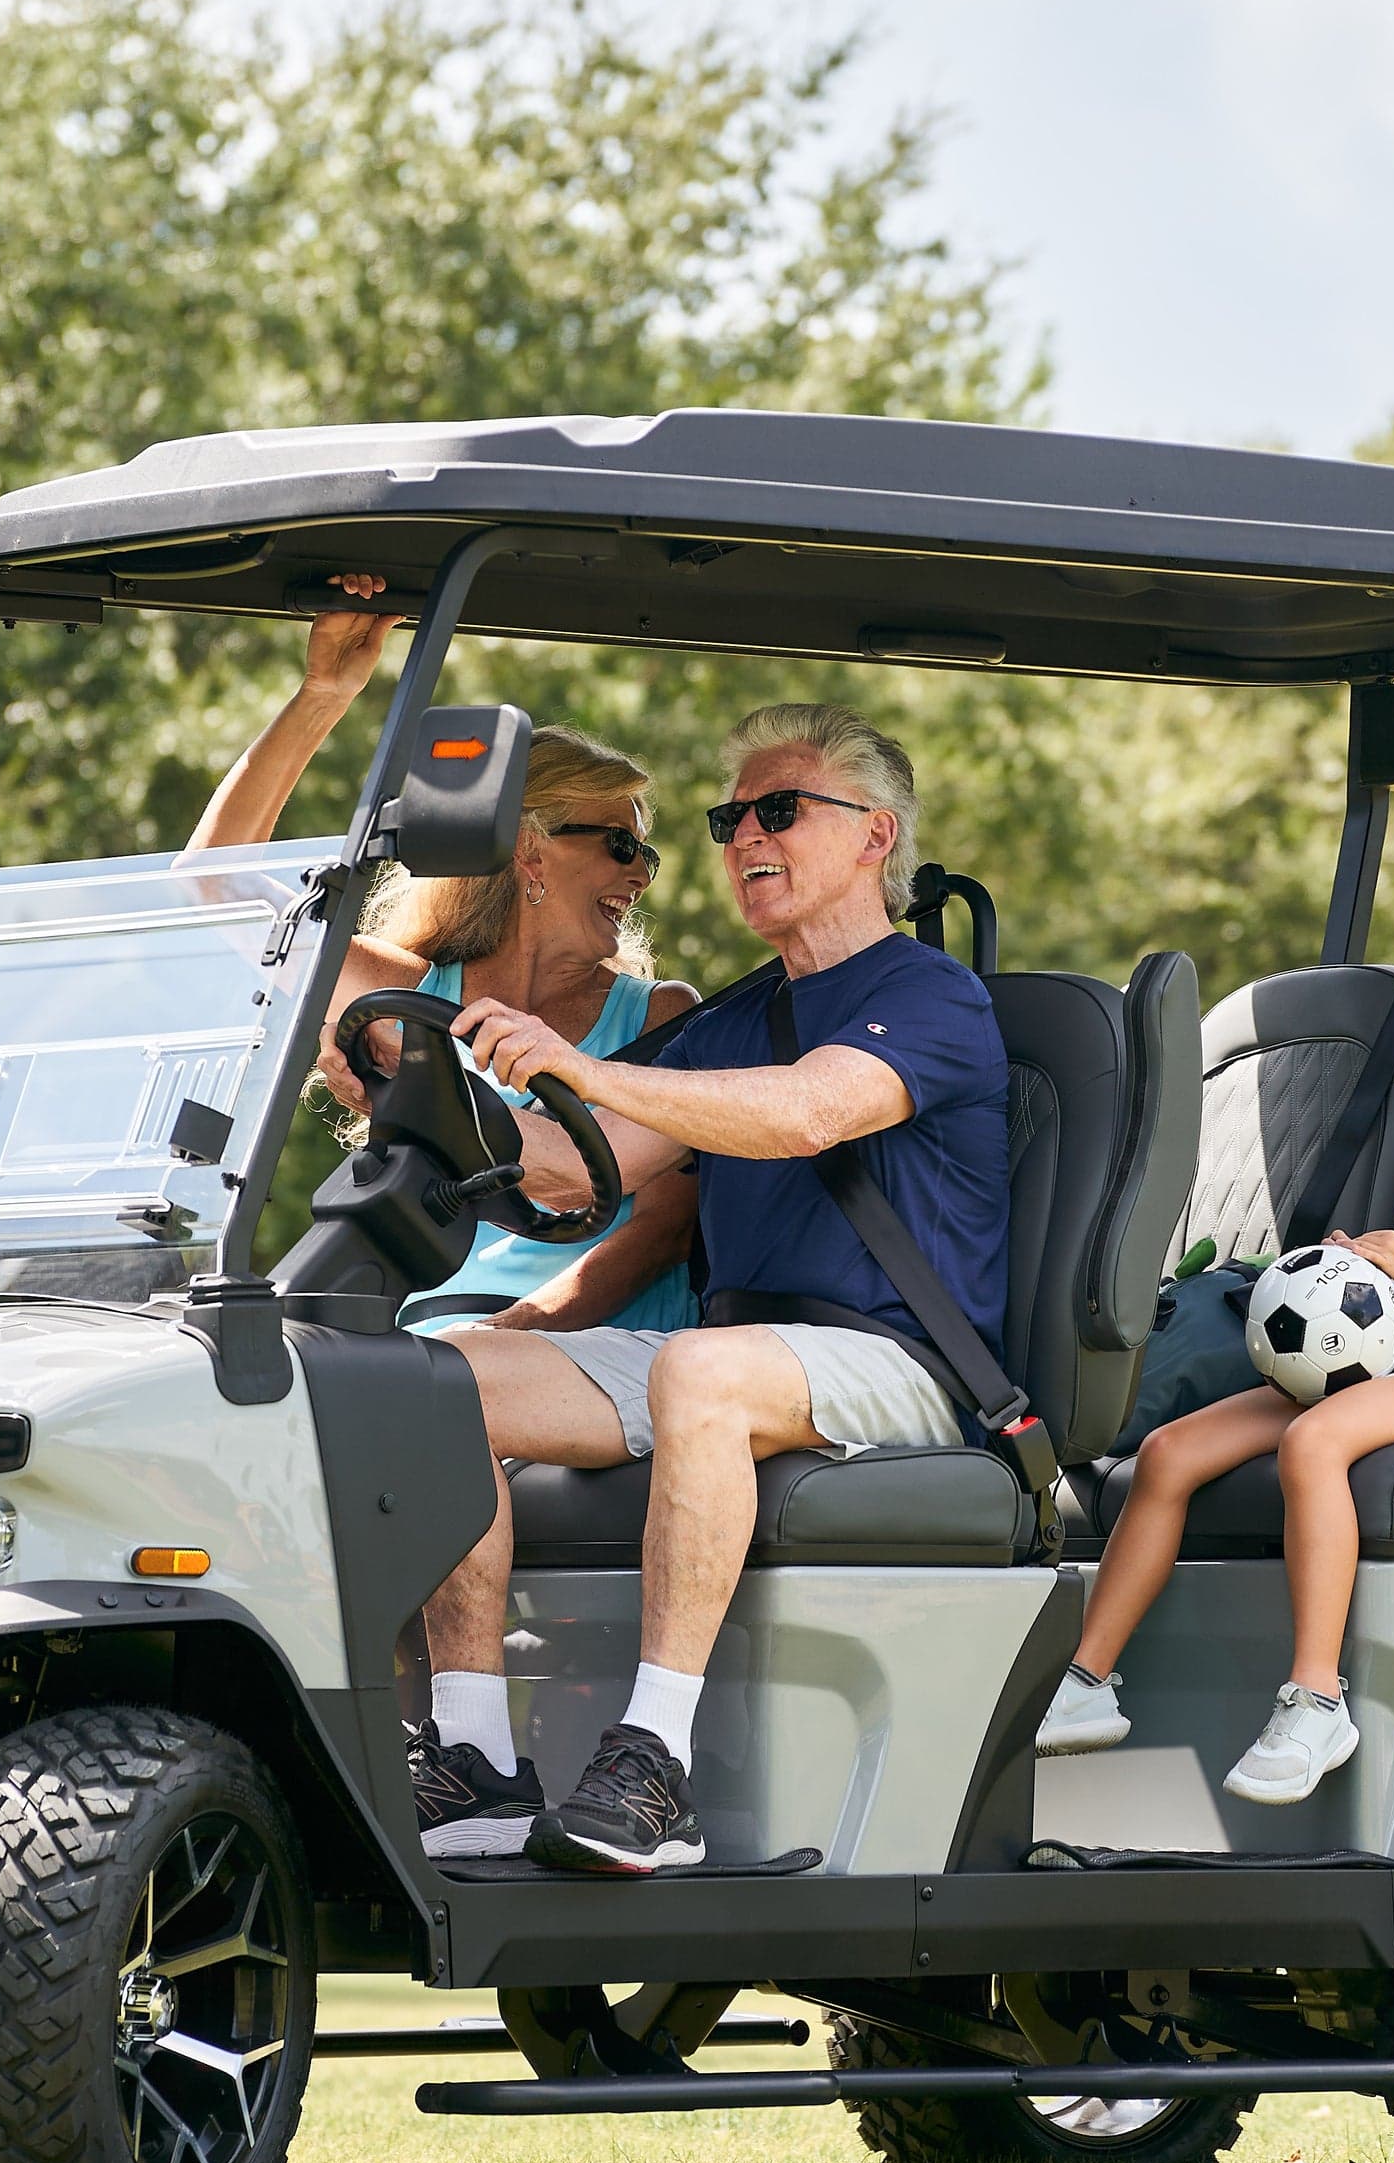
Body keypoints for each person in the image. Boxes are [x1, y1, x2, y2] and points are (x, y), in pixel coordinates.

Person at [409, 703, 1012, 1870]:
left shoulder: (932, 995)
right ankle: (475, 1750)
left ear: (875, 836)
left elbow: (806, 1113)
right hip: (745, 1354)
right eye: (730, 817)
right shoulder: (732, 1017)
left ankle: (655, 1761)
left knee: (699, 1366)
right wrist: (421, 1093)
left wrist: (584, 1066)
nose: (744, 835)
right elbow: (577, 1165)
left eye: (777, 809)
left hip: (900, 1361)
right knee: (440, 1374)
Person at [1038, 980, 1394, 1806]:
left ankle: (1316, 1698)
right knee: (1169, 1454)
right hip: (1378, 1365)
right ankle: (1087, 1679)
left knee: (1310, 1443)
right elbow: (1389, 1308)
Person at [189, 576, 699, 1331]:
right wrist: (324, 694)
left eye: (643, 853)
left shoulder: (661, 1016)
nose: (640, 873)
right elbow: (213, 881)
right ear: (530, 849)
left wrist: (508, 1339)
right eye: (620, 844)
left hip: (585, 1350)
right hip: (428, 1335)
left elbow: (662, 1230)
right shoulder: (411, 1001)